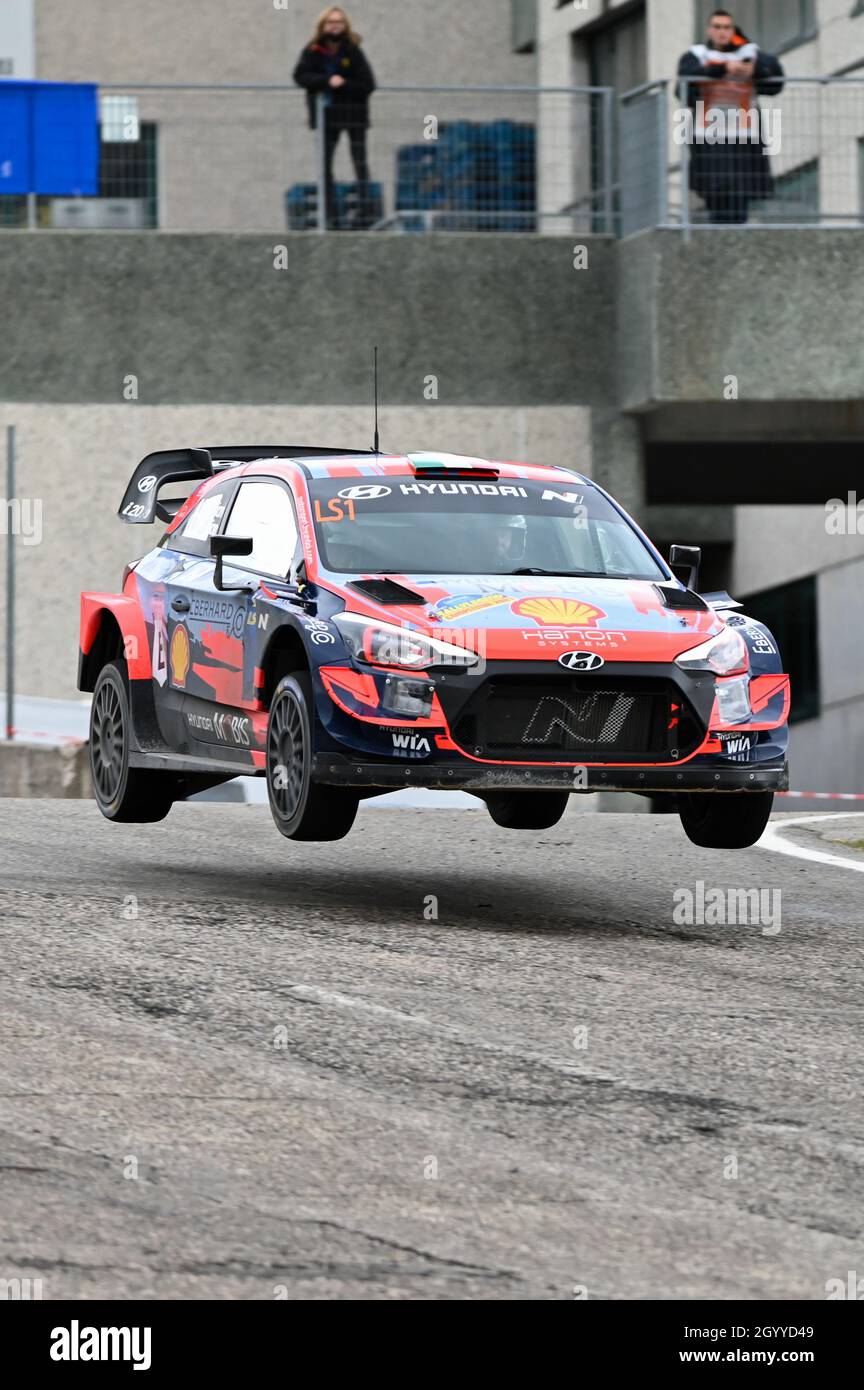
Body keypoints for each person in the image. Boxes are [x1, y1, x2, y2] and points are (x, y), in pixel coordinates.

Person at [678, 9, 784, 224]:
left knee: (740, 193)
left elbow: (776, 80)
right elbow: (683, 86)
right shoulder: (697, 55)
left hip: (743, 136)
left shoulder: (750, 54)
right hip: (710, 137)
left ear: (733, 30)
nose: (722, 32)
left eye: (727, 27)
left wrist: (753, 72)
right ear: (709, 30)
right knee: (716, 193)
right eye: (717, 27)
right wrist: (721, 69)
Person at [293, 7, 377, 229]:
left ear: (345, 26)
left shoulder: (353, 51)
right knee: (325, 164)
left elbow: (368, 84)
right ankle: (330, 215)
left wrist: (344, 84)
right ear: (322, 26)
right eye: (330, 22)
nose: (334, 26)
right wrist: (327, 81)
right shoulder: (313, 51)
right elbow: (301, 76)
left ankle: (365, 212)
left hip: (354, 116)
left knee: (359, 162)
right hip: (327, 117)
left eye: (339, 22)